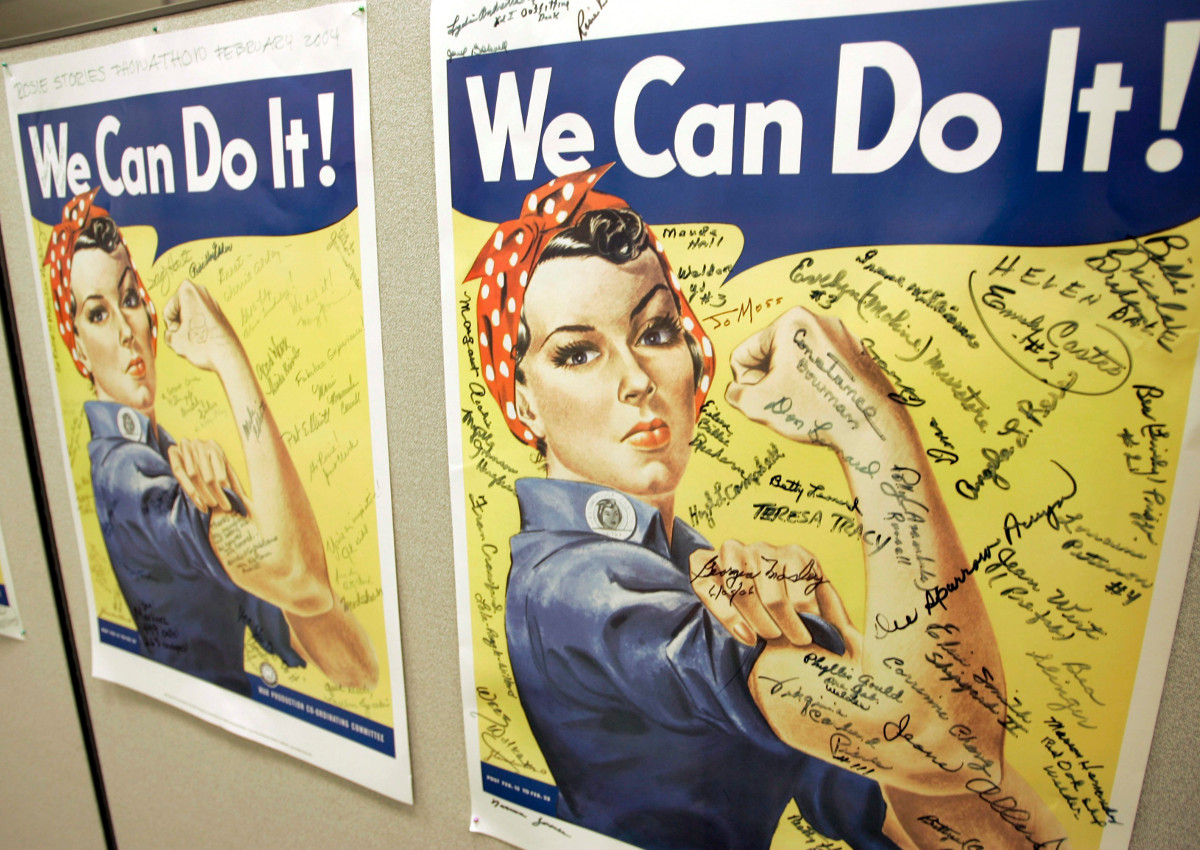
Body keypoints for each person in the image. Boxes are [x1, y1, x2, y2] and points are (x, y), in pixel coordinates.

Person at [466, 165, 1068, 849]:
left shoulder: (685, 564)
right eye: (577, 353)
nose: (636, 381)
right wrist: (871, 428)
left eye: (656, 332)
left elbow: (963, 797)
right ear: (521, 400)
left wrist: (826, 635)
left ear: (693, 352)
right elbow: (937, 737)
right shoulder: (577, 586)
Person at [45, 188, 377, 696]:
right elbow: (297, 573)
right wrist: (228, 357)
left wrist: (244, 509)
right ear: (79, 351)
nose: (126, 331)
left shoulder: (171, 464)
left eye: (129, 298)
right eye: (97, 314)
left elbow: (354, 666)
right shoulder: (128, 476)